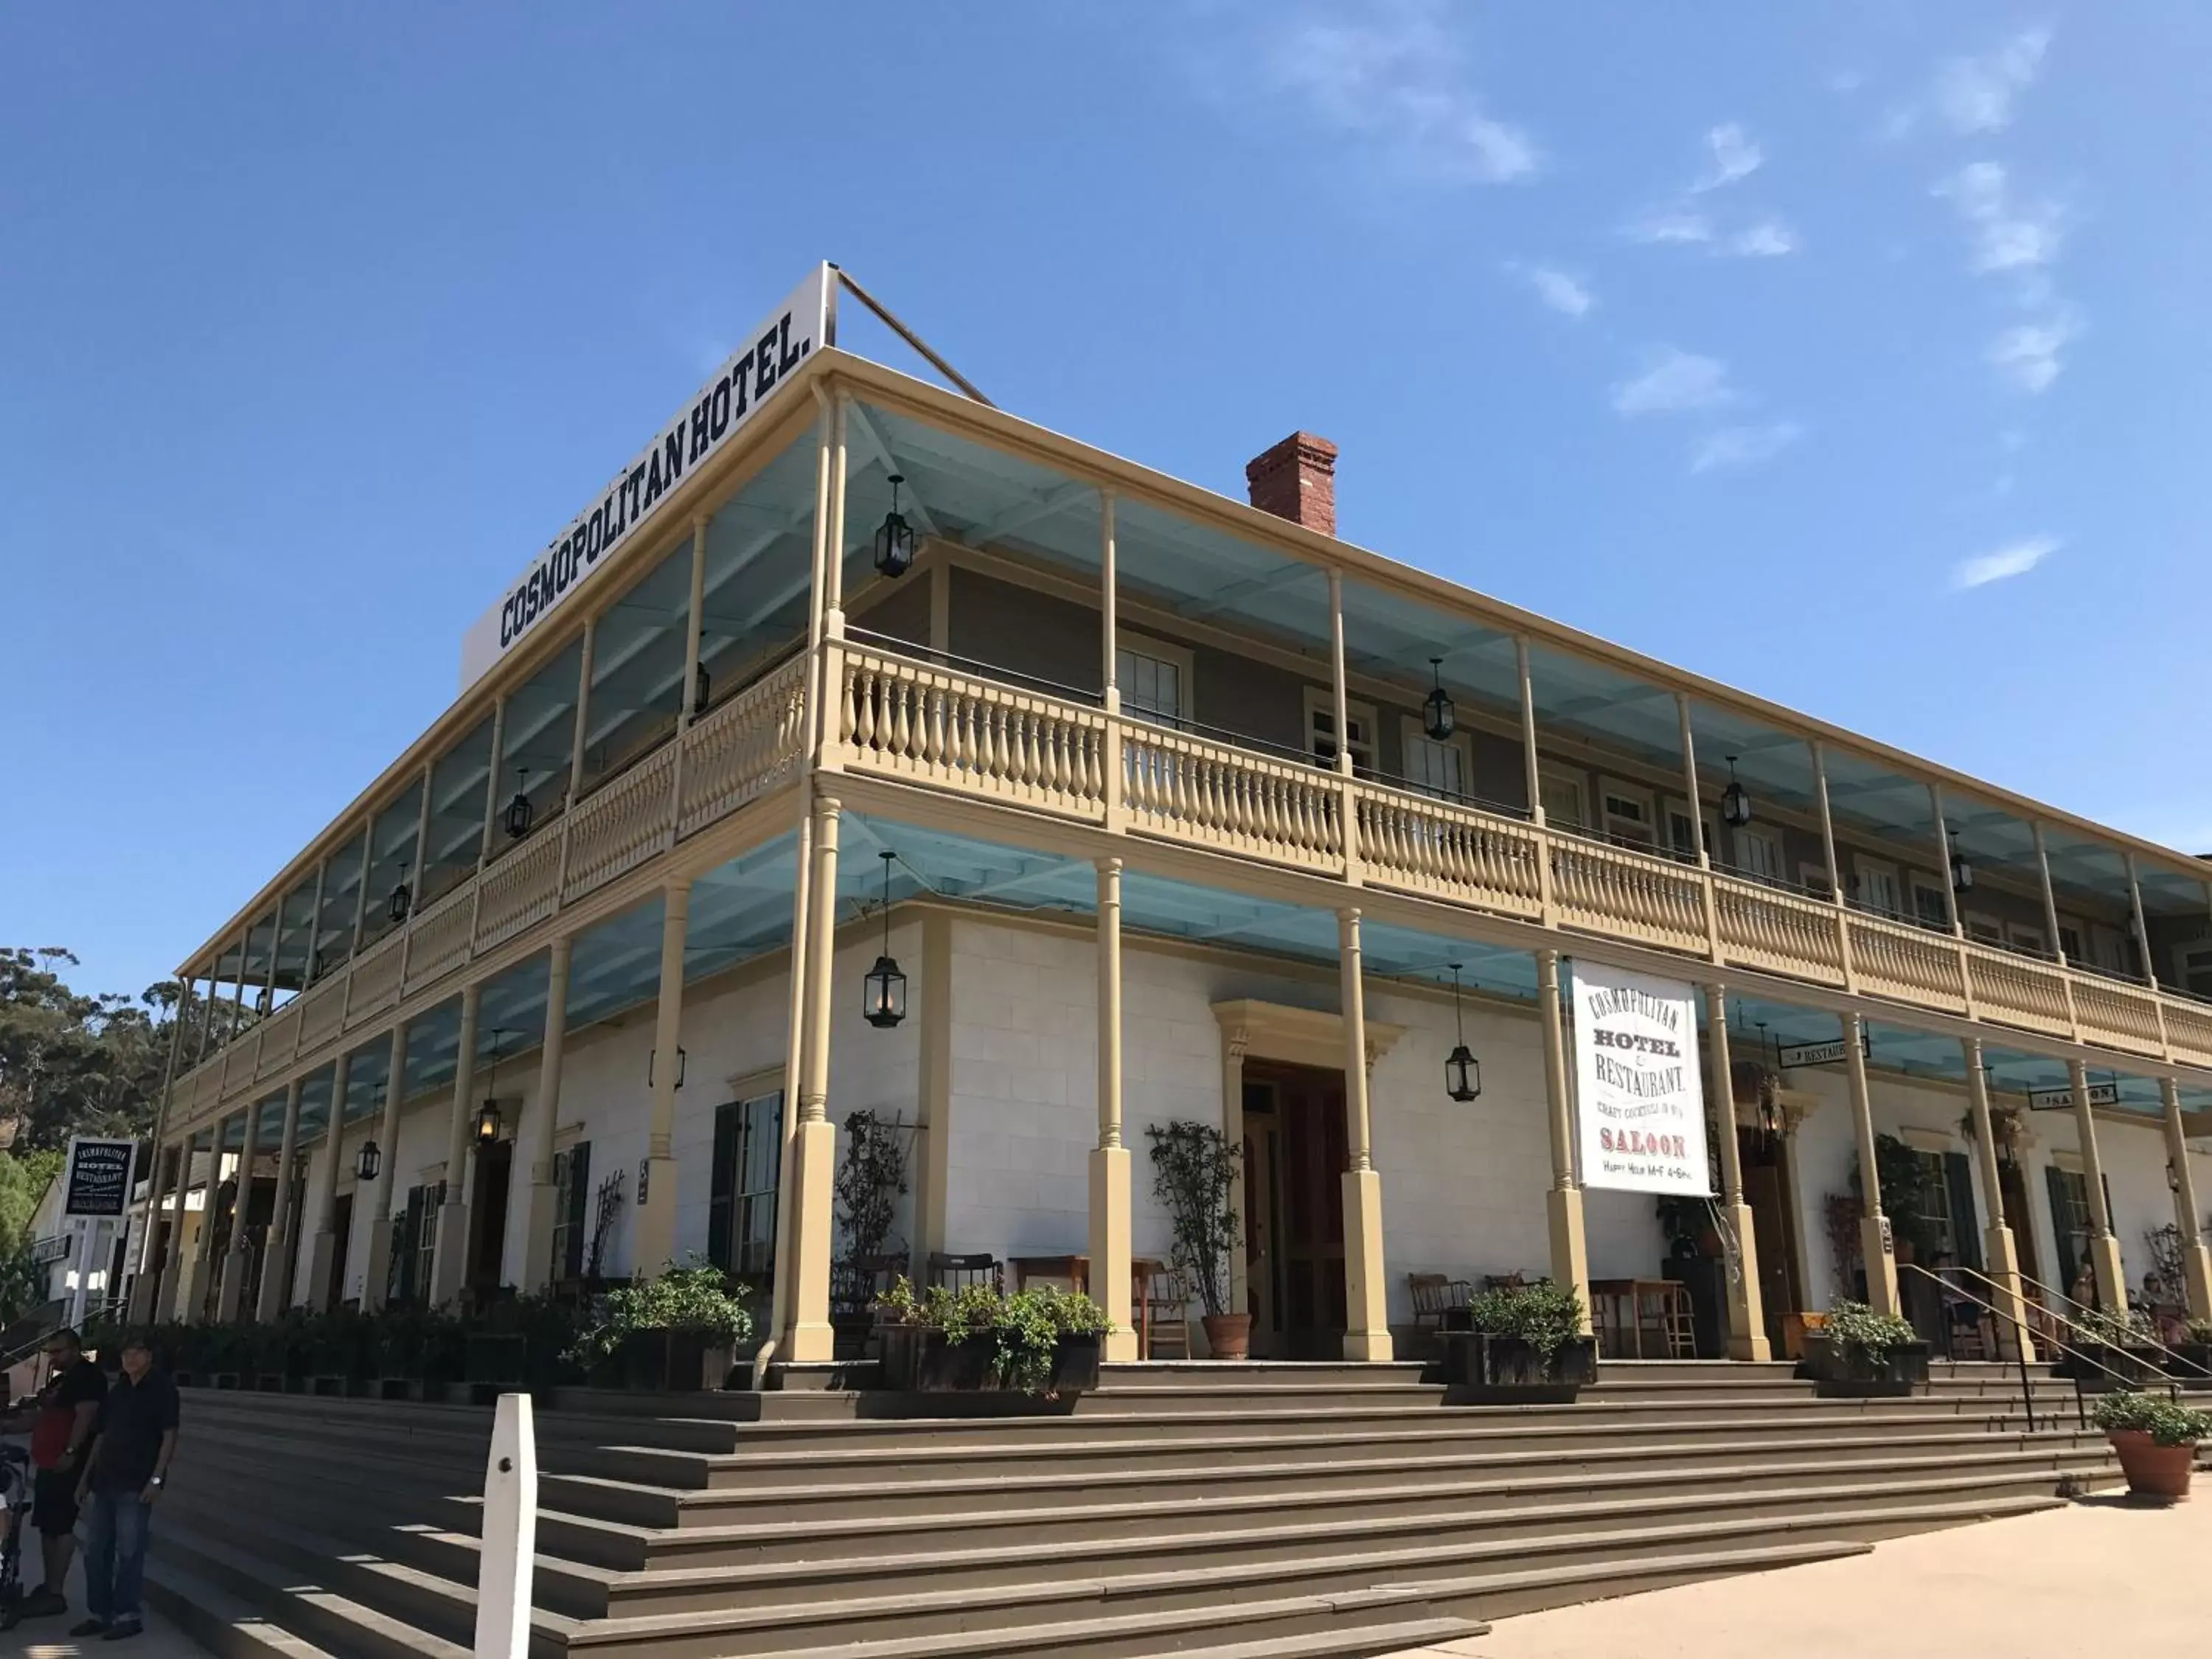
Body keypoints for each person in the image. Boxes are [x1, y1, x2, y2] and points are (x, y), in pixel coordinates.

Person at [70, 1332, 178, 1642]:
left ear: (149, 1356)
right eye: (126, 1353)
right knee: (95, 1551)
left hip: (137, 1481)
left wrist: (157, 1478)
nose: (130, 1358)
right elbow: (101, 1436)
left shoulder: (162, 1390)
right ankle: (99, 1613)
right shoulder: (117, 1391)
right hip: (105, 1479)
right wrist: (84, 1478)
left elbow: (169, 1436)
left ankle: (128, 1614)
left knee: (129, 1550)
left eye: (137, 1352)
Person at [7, 1329, 106, 1620]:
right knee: (47, 1526)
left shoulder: (88, 1377)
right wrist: (7, 1426)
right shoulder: (61, 1380)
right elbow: (40, 1415)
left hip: (68, 1465)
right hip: (48, 1463)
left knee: (61, 1526)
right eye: (50, 1352)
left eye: (58, 1351)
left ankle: (55, 1592)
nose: (53, 1357)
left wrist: (72, 1451)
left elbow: (86, 1416)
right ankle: (48, 1587)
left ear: (75, 1349)